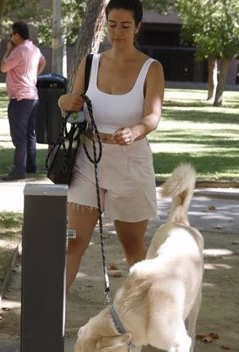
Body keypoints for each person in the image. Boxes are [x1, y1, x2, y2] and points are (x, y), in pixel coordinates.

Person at [57, 0, 165, 290]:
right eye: (113, 25)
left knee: (132, 247)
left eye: (125, 26)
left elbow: (153, 116)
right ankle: (52, 321)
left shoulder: (151, 68)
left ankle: (148, 316)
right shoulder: (90, 63)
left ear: (137, 27)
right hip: (88, 159)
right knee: (73, 242)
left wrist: (136, 130)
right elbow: (73, 104)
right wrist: (63, 102)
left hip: (131, 160)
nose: (118, 32)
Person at [0, 21, 46, 180]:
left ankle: (19, 170)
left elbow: (3, 68)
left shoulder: (19, 50)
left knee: (19, 137)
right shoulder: (34, 48)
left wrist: (8, 52)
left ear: (17, 35)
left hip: (20, 99)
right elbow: (43, 62)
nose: (10, 37)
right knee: (29, 134)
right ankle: (30, 166)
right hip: (32, 97)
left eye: (11, 34)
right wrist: (33, 77)